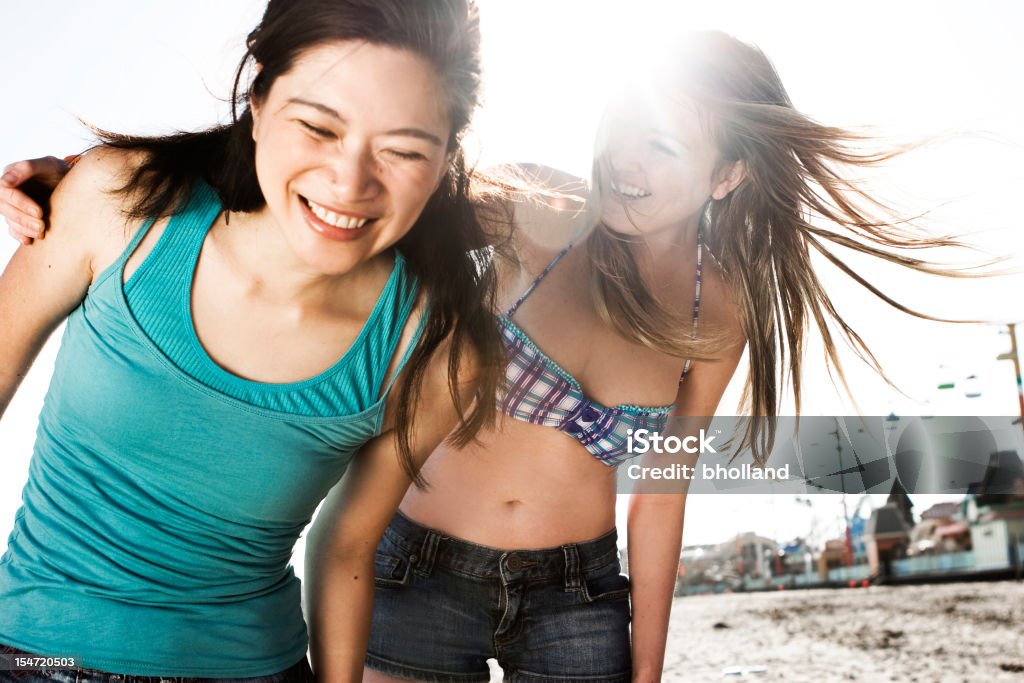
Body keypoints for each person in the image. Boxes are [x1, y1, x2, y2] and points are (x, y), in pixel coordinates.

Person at [3, 31, 977, 683]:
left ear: (726, 174)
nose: (627, 163)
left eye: (665, 148)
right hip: (421, 566)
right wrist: (99, 178)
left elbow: (663, 489)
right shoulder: (538, 210)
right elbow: (357, 161)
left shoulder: (715, 311)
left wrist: (646, 665)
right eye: (620, 131)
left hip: (580, 590)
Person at [0, 0, 500, 680]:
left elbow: (348, 546)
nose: (348, 183)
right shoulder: (118, 204)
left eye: (403, 149)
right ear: (258, 102)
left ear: (446, 157)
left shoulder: (436, 350)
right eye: (319, 127)